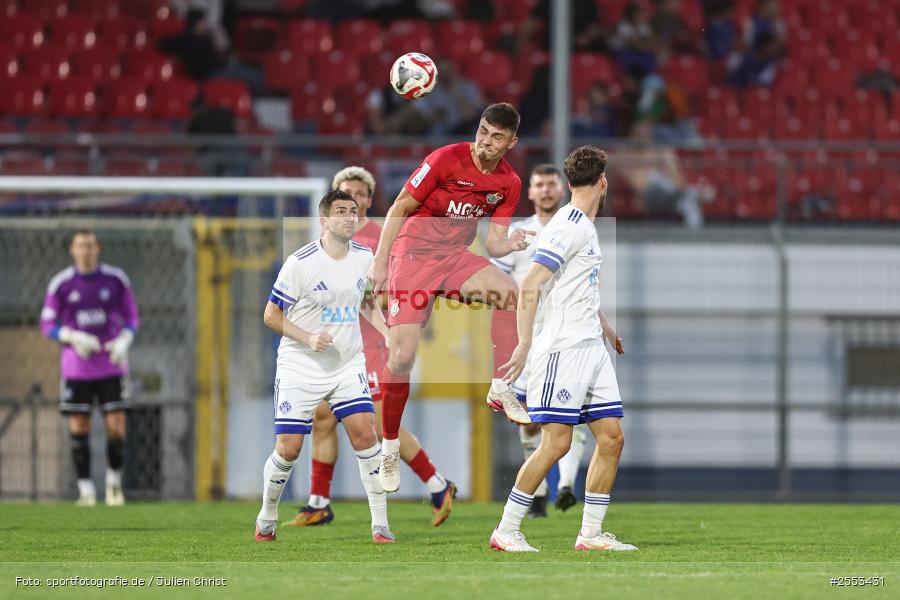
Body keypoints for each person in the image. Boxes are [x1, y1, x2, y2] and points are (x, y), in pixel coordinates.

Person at [368, 102, 531, 493]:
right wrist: (379, 263)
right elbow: (399, 207)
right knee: (402, 357)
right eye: (482, 131)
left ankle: (500, 387)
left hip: (455, 257)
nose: (485, 142)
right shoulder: (445, 159)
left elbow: (492, 242)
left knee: (513, 296)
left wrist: (508, 244)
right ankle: (389, 447)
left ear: (511, 142)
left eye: (496, 137)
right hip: (412, 256)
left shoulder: (509, 182)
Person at [284, 167, 457, 529]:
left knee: (376, 423)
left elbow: (402, 280)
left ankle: (437, 484)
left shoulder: (382, 236)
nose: (356, 200)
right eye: (348, 193)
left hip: (373, 342)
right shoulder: (324, 239)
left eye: (362, 194)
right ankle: (319, 501)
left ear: (369, 198)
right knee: (322, 417)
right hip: (331, 340)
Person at [490, 145, 636, 553]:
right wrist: (524, 344)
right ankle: (506, 529)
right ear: (602, 183)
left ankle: (589, 534)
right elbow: (530, 283)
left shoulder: (581, 225)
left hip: (591, 345)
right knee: (556, 442)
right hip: (565, 348)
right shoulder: (569, 226)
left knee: (611, 439)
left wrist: (604, 325)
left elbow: (573, 285)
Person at [255, 190, 394, 544]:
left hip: (347, 365)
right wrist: (307, 337)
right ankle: (267, 515)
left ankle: (380, 525)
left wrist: (387, 333)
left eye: (353, 211)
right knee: (288, 448)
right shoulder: (300, 262)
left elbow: (365, 302)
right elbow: (271, 315)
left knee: (365, 433)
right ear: (324, 221)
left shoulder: (365, 258)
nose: (350, 217)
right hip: (300, 366)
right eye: (341, 212)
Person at [490, 164, 591, 518]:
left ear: (561, 189)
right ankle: (540, 493)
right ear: (530, 193)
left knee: (571, 412)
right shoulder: (518, 235)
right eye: (539, 185)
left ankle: (564, 485)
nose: (546, 190)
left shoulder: (577, 229)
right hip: (530, 338)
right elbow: (496, 283)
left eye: (551, 184)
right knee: (529, 417)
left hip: (570, 334)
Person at [40, 230, 139, 507]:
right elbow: (47, 324)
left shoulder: (116, 280)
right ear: (72, 249)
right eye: (81, 245)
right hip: (77, 368)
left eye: (91, 245)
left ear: (98, 248)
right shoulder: (61, 284)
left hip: (112, 364)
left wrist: (125, 339)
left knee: (116, 427)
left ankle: (113, 486)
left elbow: (132, 317)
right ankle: (85, 491)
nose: (86, 250)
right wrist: (71, 336)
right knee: (79, 426)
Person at [616, 120, 707, 228]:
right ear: (632, 135)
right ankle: (693, 192)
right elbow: (634, 182)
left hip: (668, 195)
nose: (642, 138)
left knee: (689, 203)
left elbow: (677, 176)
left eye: (645, 134)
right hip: (648, 196)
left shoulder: (660, 151)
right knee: (653, 177)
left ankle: (695, 237)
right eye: (639, 134)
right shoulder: (625, 154)